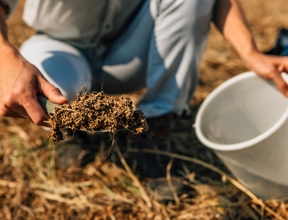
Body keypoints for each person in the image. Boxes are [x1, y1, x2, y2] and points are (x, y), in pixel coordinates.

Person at [1, 0, 288, 199]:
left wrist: (250, 53)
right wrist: (5, 58)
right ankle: (70, 132)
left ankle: (156, 127)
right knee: (54, 89)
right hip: (60, 47)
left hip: (131, 55)